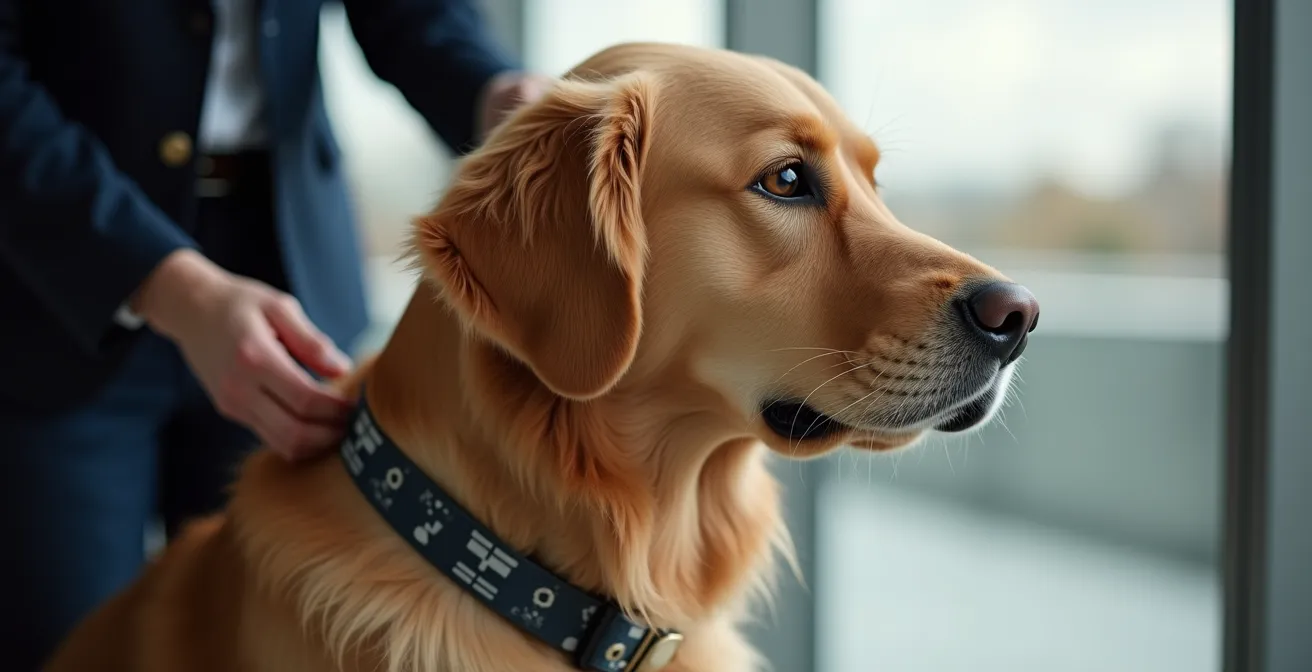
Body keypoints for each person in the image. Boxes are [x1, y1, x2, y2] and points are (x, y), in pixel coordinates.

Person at [0, 0, 550, 668]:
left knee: (279, 635)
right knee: (68, 643)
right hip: (53, 286)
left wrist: (491, 87)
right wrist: (173, 289)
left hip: (289, 260)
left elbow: (412, 13)